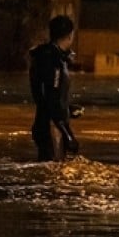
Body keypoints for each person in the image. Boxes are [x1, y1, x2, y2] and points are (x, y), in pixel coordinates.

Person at [28, 15, 80, 161]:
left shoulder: (46, 56)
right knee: (54, 174)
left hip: (48, 123)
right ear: (70, 35)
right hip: (52, 127)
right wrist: (67, 134)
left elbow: (48, 94)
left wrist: (68, 109)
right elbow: (51, 97)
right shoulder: (53, 60)